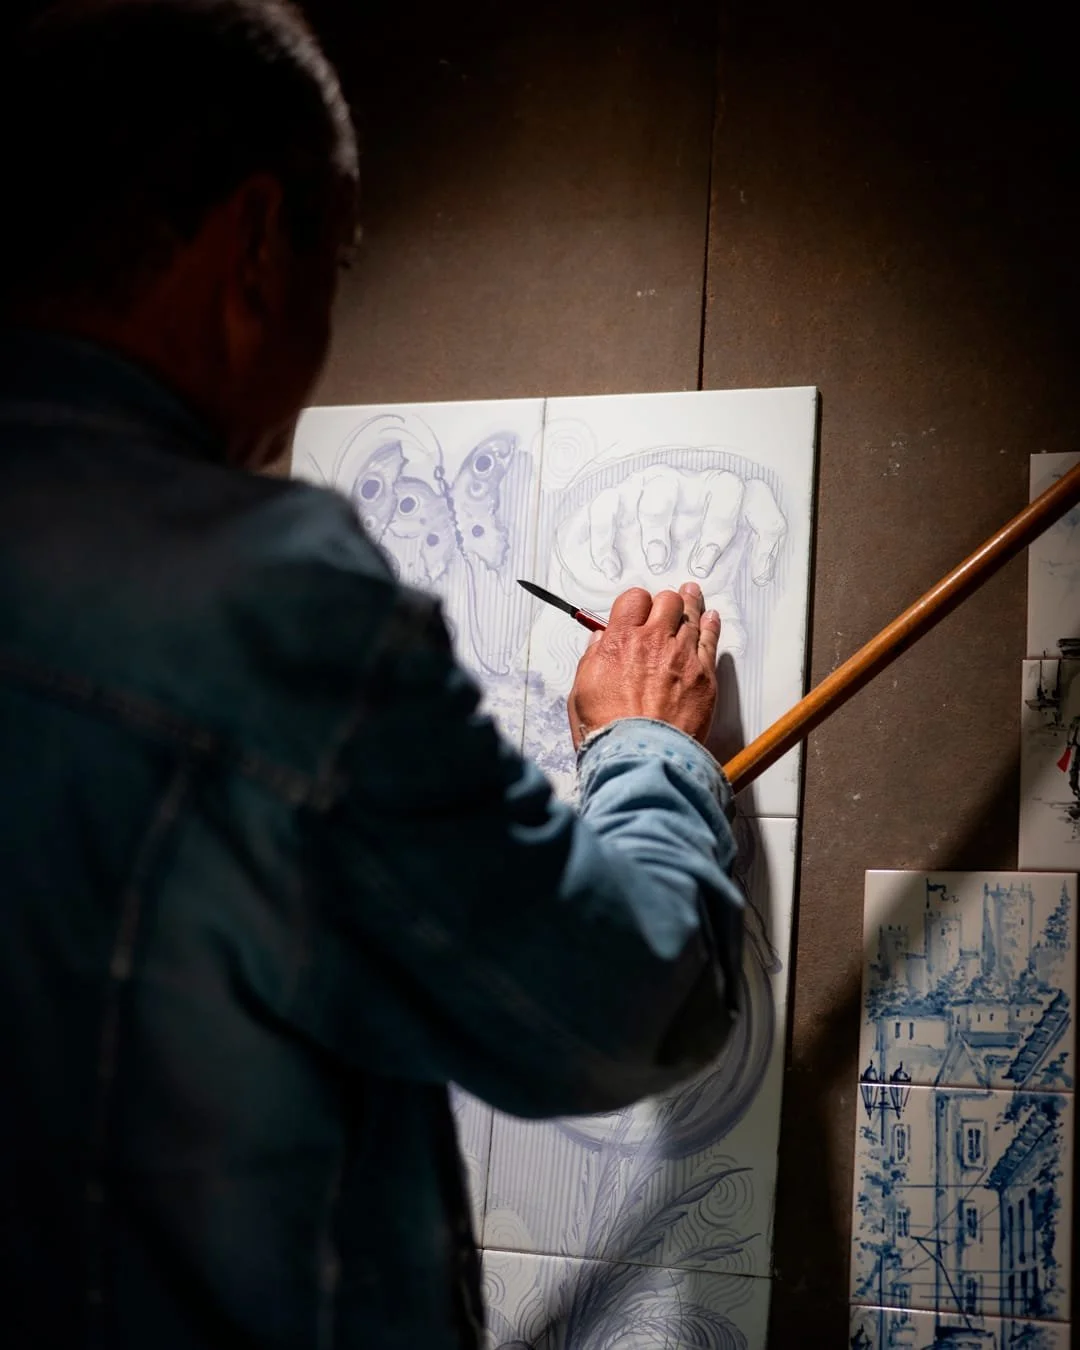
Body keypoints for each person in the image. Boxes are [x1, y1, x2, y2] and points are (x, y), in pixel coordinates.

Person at [0, 3, 744, 1348]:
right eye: (339, 262)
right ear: (255, 247)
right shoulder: (266, 598)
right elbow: (610, 1000)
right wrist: (646, 748)